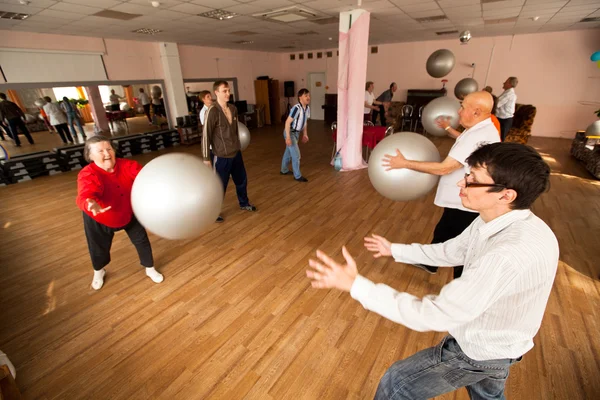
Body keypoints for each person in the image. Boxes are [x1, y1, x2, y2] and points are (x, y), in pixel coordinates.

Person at [307, 142, 558, 400]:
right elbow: (452, 251)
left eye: (473, 181)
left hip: (478, 351)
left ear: (506, 195)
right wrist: (395, 250)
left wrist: (356, 285)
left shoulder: (506, 254)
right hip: (502, 346)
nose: (461, 184)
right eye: (467, 175)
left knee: (397, 383)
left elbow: (434, 315)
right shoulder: (505, 221)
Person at [383, 91, 500, 278]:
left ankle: (461, 286)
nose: (459, 111)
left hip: (467, 201)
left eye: (463, 107)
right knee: (444, 230)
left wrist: (404, 164)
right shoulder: (483, 129)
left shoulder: (476, 135)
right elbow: (463, 142)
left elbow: (444, 168)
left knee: (463, 245)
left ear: (476, 112)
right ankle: (431, 263)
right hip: (463, 199)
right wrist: (447, 128)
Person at [76, 136, 163, 290]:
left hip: (127, 211)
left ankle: (150, 268)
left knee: (142, 241)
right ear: (90, 156)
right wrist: (90, 203)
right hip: (100, 216)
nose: (107, 153)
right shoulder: (88, 173)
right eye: (100, 151)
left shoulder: (129, 165)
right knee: (98, 247)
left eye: (109, 149)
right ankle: (98, 271)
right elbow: (85, 194)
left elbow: (146, 179)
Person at [202, 80, 257, 223]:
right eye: (224, 91)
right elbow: (206, 135)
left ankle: (244, 203)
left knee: (242, 180)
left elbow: (235, 131)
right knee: (219, 186)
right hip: (221, 156)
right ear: (216, 93)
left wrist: (238, 146)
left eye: (228, 90)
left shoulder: (233, 109)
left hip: (236, 153)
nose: (228, 93)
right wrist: (206, 158)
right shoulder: (212, 111)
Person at [281, 88, 310, 182]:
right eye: (306, 96)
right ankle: (297, 176)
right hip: (290, 133)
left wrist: (305, 134)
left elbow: (305, 122)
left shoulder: (307, 108)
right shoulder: (296, 108)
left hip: (297, 133)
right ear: (300, 97)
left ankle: (284, 170)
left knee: (288, 152)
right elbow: (287, 122)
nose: (308, 97)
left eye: (309, 95)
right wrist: (288, 137)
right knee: (296, 155)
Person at [496, 77, 518, 141]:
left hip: (504, 120)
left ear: (510, 84)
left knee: (500, 139)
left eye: (506, 82)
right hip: (501, 118)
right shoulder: (506, 92)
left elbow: (497, 104)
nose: (504, 83)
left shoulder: (509, 94)